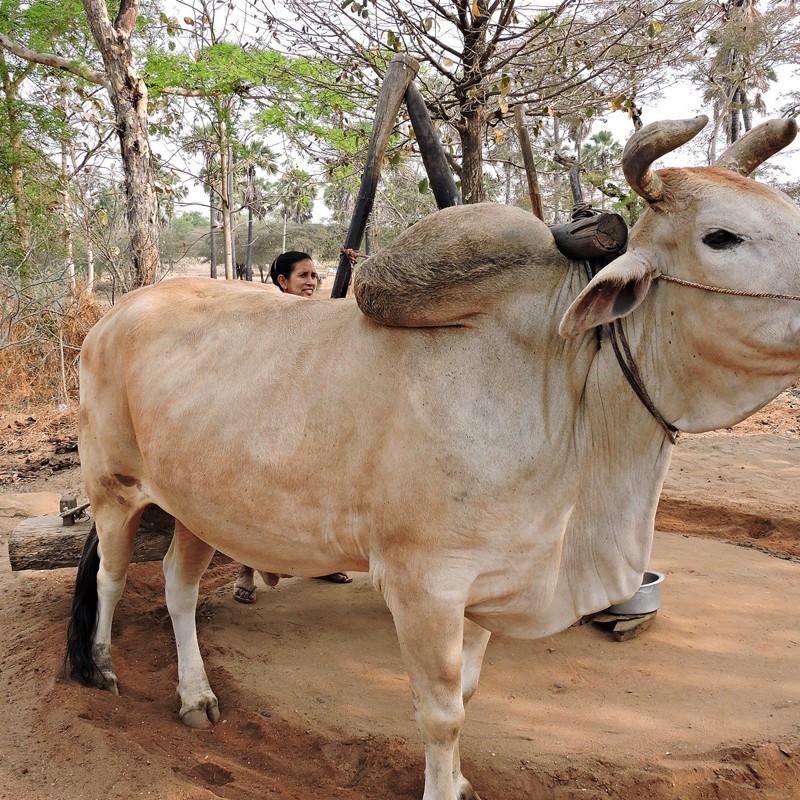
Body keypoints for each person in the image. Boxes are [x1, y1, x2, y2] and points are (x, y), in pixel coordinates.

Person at [233, 251, 352, 604]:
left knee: (320, 496)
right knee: (257, 499)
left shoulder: (315, 316)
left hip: (311, 424)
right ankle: (246, 569)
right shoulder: (265, 318)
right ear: (282, 281)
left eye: (315, 276)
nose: (311, 282)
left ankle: (322, 564)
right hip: (268, 423)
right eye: (303, 275)